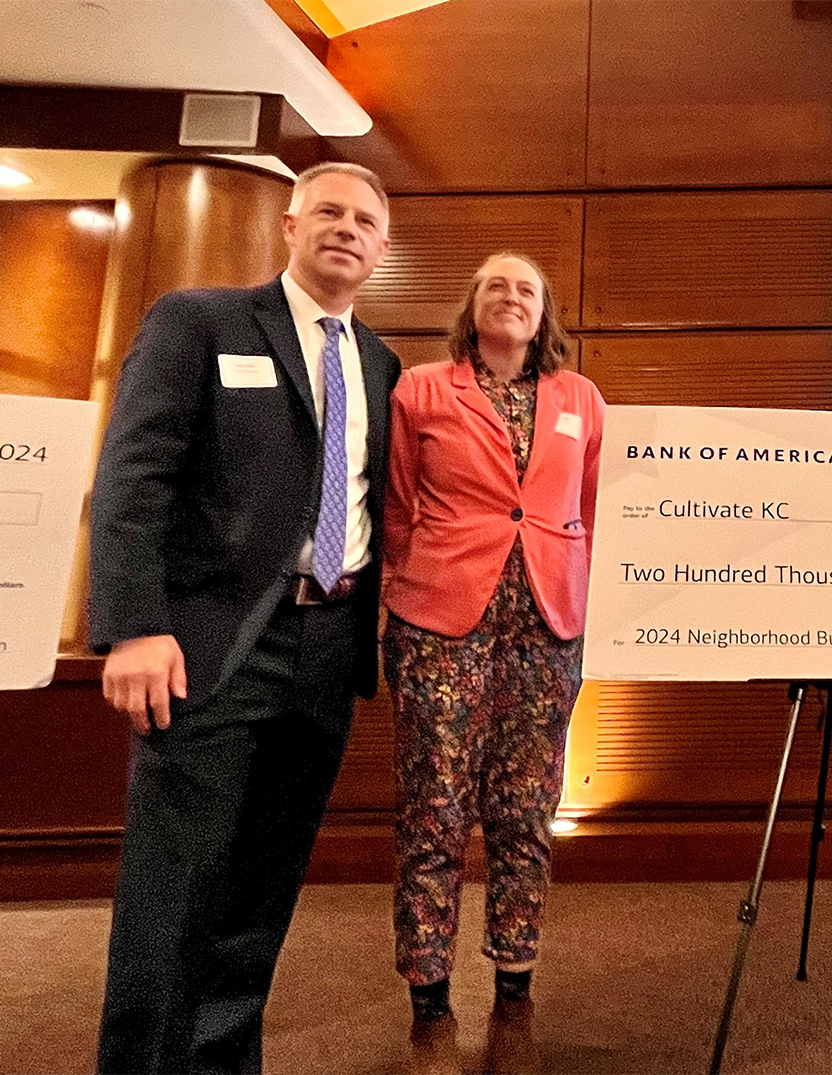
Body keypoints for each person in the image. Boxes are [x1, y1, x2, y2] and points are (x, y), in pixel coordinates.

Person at [90, 162, 398, 1074]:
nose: (347, 229)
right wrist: (134, 623)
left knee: (262, 888)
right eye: (330, 213)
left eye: (367, 222)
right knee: (174, 886)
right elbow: (133, 476)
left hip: (328, 647)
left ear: (383, 250)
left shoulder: (379, 363)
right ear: (290, 225)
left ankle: (223, 1062)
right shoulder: (201, 321)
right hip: (208, 644)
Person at [381, 252, 604, 1043]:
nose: (511, 297)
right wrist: (417, 586)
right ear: (471, 305)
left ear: (545, 315)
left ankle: (516, 970)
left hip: (547, 630)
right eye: (496, 285)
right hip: (441, 627)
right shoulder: (421, 388)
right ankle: (429, 988)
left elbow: (587, 502)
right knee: (435, 808)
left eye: (528, 289)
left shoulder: (580, 398)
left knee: (526, 809)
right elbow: (398, 503)